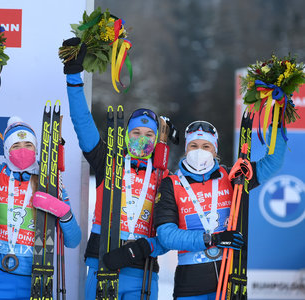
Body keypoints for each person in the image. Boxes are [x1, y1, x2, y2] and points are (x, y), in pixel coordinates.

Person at [0, 59, 81, 300]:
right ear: (6, 150)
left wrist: (63, 212)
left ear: (36, 150)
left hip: (37, 276)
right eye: (16, 145)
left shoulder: (49, 180)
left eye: (28, 145)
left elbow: (73, 240)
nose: (22, 150)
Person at [62, 37, 173, 300]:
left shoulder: (164, 176)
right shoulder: (107, 161)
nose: (142, 139)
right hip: (101, 263)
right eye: (136, 132)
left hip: (143, 272)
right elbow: (82, 123)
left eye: (149, 134)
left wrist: (143, 249)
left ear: (157, 140)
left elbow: (171, 232)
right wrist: (74, 78)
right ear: (125, 135)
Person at [154, 120, 286, 300]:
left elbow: (272, 163)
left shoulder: (233, 176)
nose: (199, 151)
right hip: (190, 284)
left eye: (206, 146)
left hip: (231, 280)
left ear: (215, 150)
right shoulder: (171, 184)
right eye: (193, 145)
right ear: (186, 149)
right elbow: (167, 235)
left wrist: (276, 126)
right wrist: (212, 239)